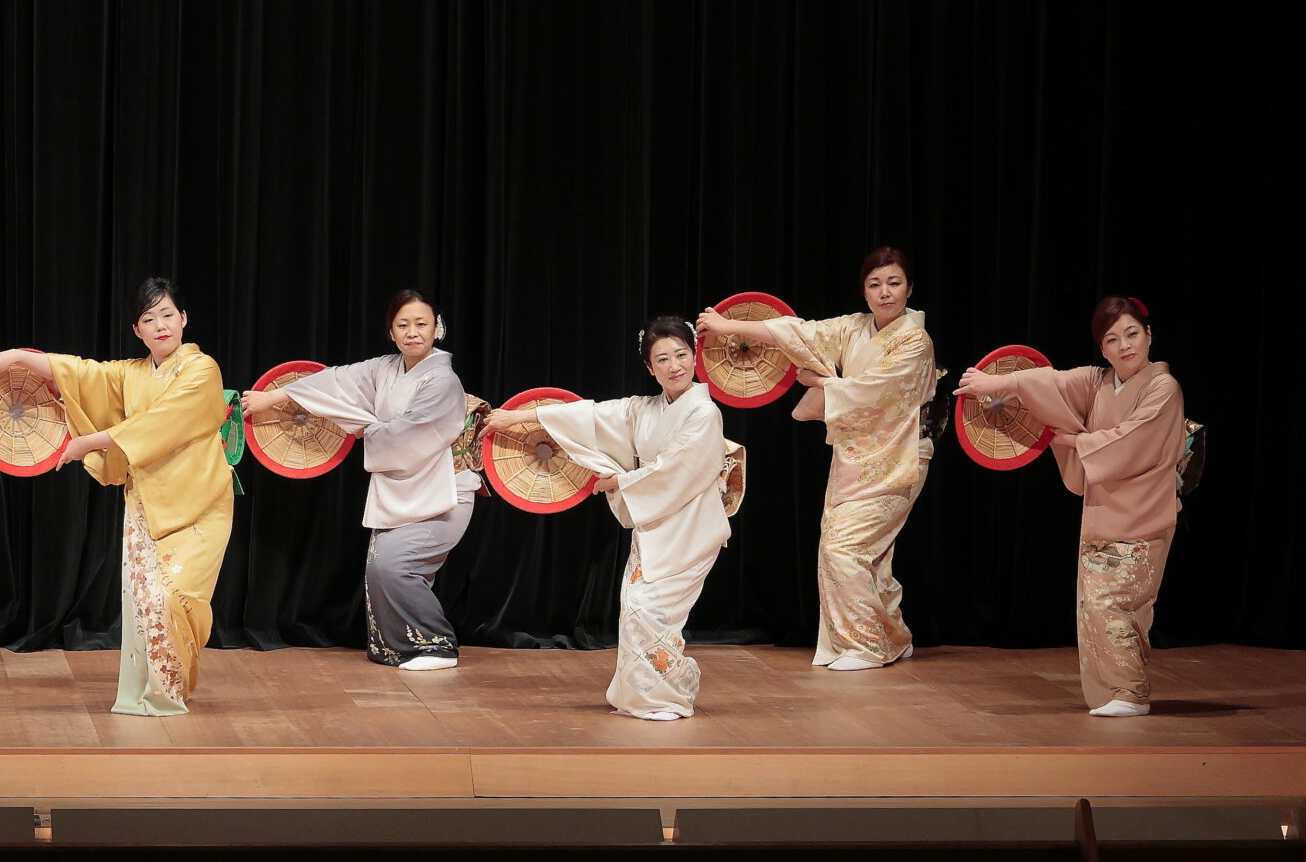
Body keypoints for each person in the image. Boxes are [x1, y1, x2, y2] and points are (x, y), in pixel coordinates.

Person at [0, 278, 233, 715]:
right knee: (147, 599)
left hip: (200, 502)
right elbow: (82, 372)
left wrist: (89, 442)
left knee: (180, 596)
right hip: (147, 504)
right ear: (137, 330)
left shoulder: (202, 370)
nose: (161, 326)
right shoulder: (132, 373)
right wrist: (19, 356)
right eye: (149, 319)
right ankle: (159, 692)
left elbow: (164, 422)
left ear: (184, 319)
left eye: (168, 315)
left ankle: (174, 684)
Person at [483, 316, 739, 719]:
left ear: (695, 356)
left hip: (691, 528)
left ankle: (666, 693)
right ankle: (652, 693)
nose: (674, 366)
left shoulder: (703, 413)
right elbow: (589, 415)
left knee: (652, 610)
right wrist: (517, 418)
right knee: (636, 606)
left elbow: (679, 468)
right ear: (649, 368)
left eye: (681, 355)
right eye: (662, 359)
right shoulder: (645, 409)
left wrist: (620, 481)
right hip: (655, 528)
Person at [698, 247, 936, 671]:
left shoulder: (915, 342)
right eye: (875, 284)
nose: (885, 293)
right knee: (871, 554)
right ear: (864, 291)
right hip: (857, 454)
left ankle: (866, 645)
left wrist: (823, 382)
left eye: (894, 283)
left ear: (910, 288)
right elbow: (799, 333)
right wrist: (724, 325)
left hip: (899, 454)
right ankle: (893, 637)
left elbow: (873, 392)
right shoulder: (854, 328)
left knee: (844, 548)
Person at [956, 297, 1183, 717]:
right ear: (1102, 349)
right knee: (1094, 605)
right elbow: (1050, 382)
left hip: (1143, 513)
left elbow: (1133, 439)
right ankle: (1116, 692)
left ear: (1149, 335)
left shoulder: (1162, 388)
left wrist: (1076, 443)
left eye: (1132, 334)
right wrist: (995, 385)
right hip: (1103, 511)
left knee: (1116, 603)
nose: (1124, 346)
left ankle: (1131, 692)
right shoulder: (1099, 381)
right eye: (1111, 339)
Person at [239, 289, 480, 671]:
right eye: (403, 325)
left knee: (394, 567)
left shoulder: (442, 381)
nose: (412, 332)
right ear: (391, 332)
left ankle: (437, 645)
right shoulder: (384, 368)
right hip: (402, 488)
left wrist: (362, 426)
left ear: (438, 328)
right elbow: (335, 382)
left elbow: (410, 436)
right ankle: (400, 647)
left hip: (446, 489)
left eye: (422, 324)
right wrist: (277, 397)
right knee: (378, 567)